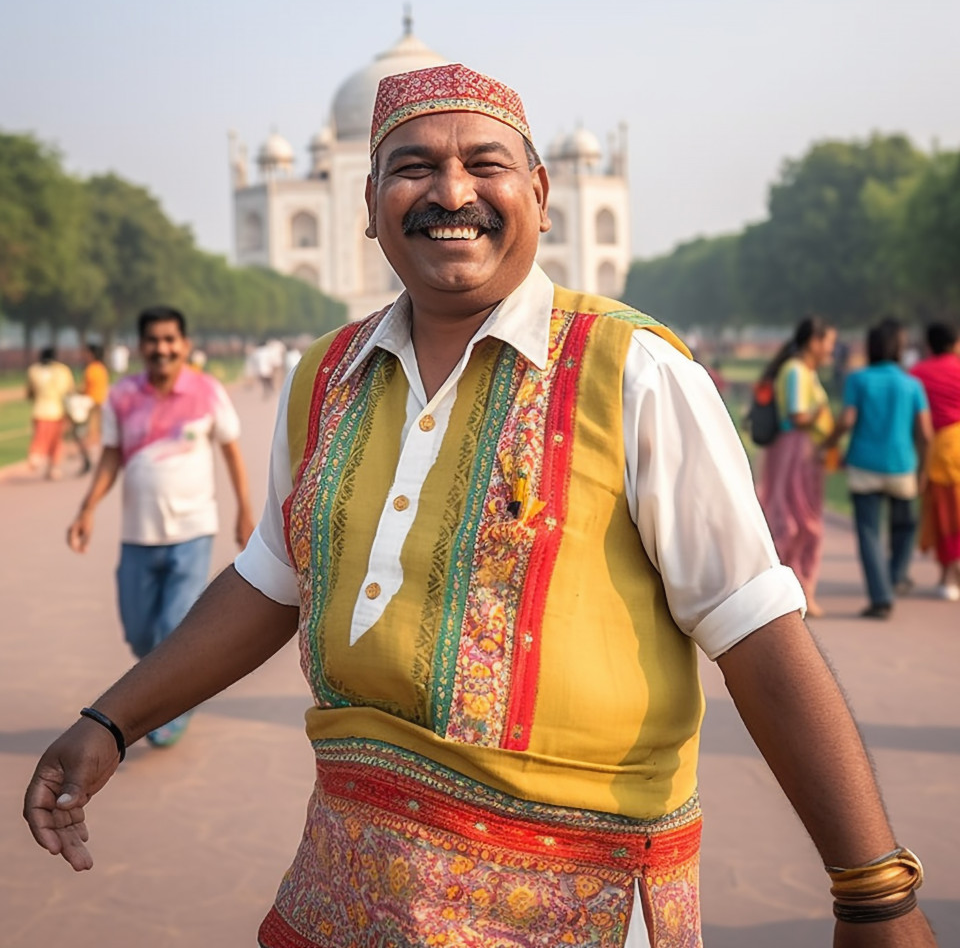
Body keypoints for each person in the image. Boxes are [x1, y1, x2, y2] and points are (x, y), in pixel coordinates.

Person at [24, 66, 935, 948]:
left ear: (542, 193)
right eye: (413, 166)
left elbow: (756, 629)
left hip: (574, 895)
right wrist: (112, 720)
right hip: (352, 887)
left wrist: (873, 891)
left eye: (485, 164)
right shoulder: (328, 377)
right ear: (368, 202)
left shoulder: (632, 371)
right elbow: (273, 579)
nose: (450, 191)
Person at [62, 306, 255, 746]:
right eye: (154, 340)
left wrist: (244, 510)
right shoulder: (123, 395)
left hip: (192, 530)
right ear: (141, 346)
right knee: (140, 631)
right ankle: (169, 686)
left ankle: (168, 710)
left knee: (173, 627)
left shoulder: (207, 392)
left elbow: (231, 451)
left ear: (184, 346)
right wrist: (87, 507)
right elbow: (111, 455)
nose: (162, 348)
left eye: (171, 340)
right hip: (139, 534)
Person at [824, 319, 931, 618]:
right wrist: (923, 468)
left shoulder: (859, 379)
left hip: (864, 465)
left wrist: (828, 443)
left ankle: (881, 597)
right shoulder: (911, 384)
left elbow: (846, 420)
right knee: (904, 528)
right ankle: (896, 575)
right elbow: (924, 432)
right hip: (902, 465)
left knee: (869, 534)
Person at [756, 317, 838, 617]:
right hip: (795, 452)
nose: (832, 348)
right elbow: (797, 415)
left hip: (804, 453)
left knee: (802, 521)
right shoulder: (796, 371)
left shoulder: (806, 372)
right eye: (828, 341)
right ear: (813, 342)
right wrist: (825, 416)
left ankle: (800, 590)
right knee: (794, 521)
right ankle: (790, 592)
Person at [911, 321, 960, 601]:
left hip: (938, 452)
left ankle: (947, 576)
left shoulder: (918, 374)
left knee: (944, 517)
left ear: (929, 346)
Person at [25, 346, 75, 480]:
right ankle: (53, 467)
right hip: (57, 410)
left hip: (40, 410)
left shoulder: (33, 371)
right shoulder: (63, 370)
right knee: (56, 441)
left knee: (40, 437)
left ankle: (36, 456)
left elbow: (30, 392)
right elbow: (69, 391)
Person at [74, 343, 110, 473]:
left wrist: (75, 392)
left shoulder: (92, 369)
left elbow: (86, 389)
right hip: (100, 403)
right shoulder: (101, 368)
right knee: (94, 433)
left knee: (84, 433)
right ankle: (90, 458)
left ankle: (89, 458)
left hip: (92, 405)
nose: (83, 356)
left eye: (86, 353)